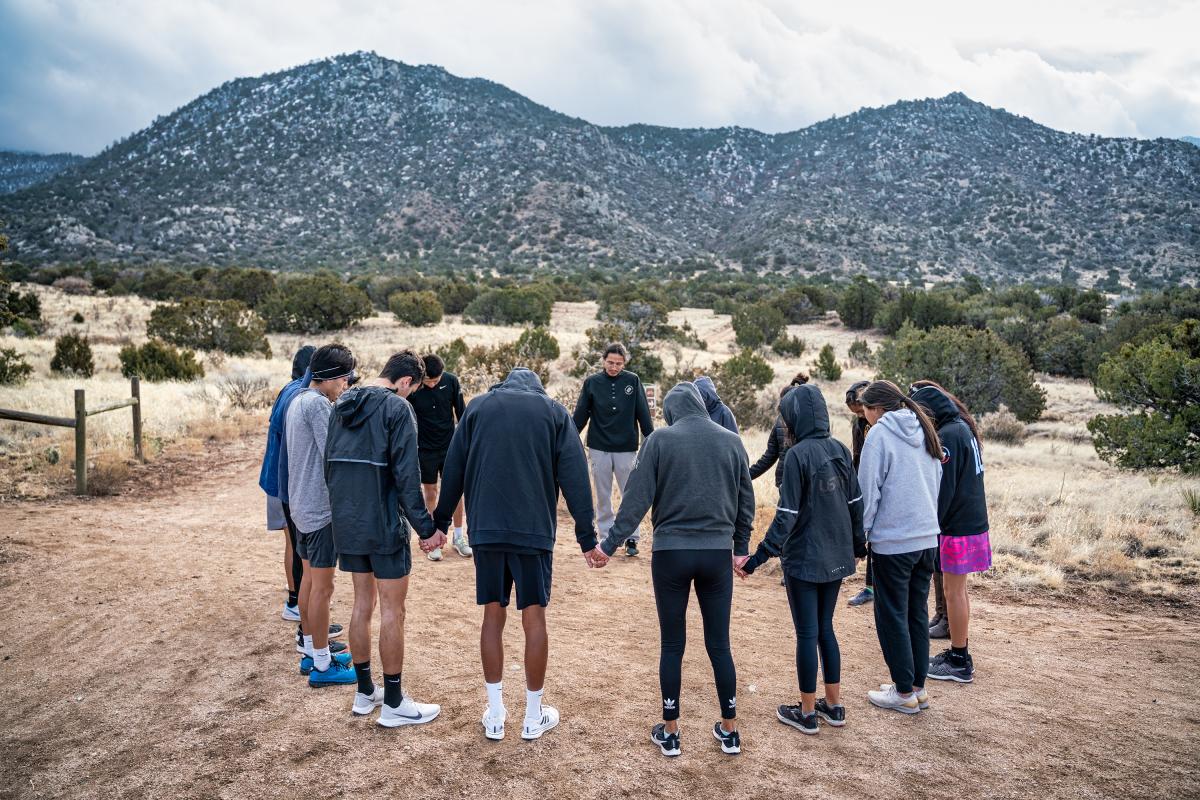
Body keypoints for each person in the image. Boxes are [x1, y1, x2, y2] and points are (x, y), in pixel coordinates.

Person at [434, 368, 604, 742]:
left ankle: (495, 714)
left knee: (492, 618)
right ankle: (532, 715)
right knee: (534, 619)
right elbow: (575, 477)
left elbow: (454, 468)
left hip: (487, 533)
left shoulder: (477, 409)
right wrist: (587, 538)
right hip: (534, 533)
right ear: (538, 388)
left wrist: (441, 522)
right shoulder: (555, 413)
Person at [600, 382, 754, 757]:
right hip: (716, 553)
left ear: (670, 412)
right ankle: (730, 730)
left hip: (671, 553)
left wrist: (609, 544)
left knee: (672, 643)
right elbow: (745, 499)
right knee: (719, 644)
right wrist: (741, 547)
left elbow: (636, 498)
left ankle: (670, 731)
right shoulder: (731, 441)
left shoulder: (660, 441)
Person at [737, 384, 864, 735]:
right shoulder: (839, 449)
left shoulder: (796, 456)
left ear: (794, 417)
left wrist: (755, 558)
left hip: (805, 559)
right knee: (826, 630)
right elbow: (856, 504)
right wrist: (858, 545)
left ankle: (807, 712)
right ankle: (833, 706)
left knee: (807, 633)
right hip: (837, 555)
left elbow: (786, 516)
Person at [326, 351, 443, 725]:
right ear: (406, 381)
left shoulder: (341, 403)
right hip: (384, 523)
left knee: (362, 605)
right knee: (394, 610)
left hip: (347, 521)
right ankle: (393, 701)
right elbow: (408, 478)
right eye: (412, 390)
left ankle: (364, 693)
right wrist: (427, 530)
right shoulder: (397, 409)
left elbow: (327, 464)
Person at [856, 380, 943, 714]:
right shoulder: (923, 428)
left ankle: (903, 692)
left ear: (876, 408)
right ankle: (915, 687)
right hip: (925, 537)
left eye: (865, 410)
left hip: (894, 541)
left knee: (891, 616)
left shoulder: (879, 436)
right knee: (915, 613)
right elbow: (936, 481)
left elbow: (869, 490)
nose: (864, 417)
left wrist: (860, 535)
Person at [287, 344, 358, 686]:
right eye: (345, 377)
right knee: (323, 588)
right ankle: (322, 664)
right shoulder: (317, 406)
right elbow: (335, 453)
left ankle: (313, 652)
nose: (346, 383)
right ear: (331, 375)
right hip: (321, 509)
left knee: (309, 583)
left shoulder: (298, 398)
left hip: (301, 505)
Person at [910, 382, 990, 683]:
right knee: (958, 592)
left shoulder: (948, 437)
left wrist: (931, 524)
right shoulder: (962, 429)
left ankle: (959, 659)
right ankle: (959, 651)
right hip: (970, 522)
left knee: (953, 592)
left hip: (958, 526)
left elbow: (943, 488)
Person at [572, 343, 654, 557]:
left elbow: (643, 412)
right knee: (603, 495)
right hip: (599, 447)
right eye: (610, 362)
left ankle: (631, 538)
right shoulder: (592, 383)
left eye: (618, 364)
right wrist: (569, 437)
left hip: (626, 448)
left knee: (630, 495)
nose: (614, 367)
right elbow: (581, 413)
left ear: (624, 363)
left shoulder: (632, 381)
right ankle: (606, 536)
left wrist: (651, 440)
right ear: (603, 360)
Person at [260, 344, 314, 622]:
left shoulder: (287, 390)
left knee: (291, 542)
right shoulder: (300, 396)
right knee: (296, 543)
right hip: (285, 484)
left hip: (274, 480)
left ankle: (295, 595)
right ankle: (295, 602)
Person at [408, 354, 469, 561]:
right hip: (425, 449)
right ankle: (433, 539)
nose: (432, 384)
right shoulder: (414, 388)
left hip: (450, 446)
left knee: (455, 490)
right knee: (430, 492)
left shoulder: (451, 381)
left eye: (436, 380)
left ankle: (459, 537)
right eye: (428, 381)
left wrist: (466, 444)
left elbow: (462, 414)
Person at [844, 380, 875, 607]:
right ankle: (871, 586)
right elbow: (857, 456)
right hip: (864, 483)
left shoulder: (882, 423)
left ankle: (875, 587)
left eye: (861, 410)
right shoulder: (859, 424)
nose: (860, 415)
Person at [748, 372, 810, 487]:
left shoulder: (786, 421)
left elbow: (769, 457)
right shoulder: (783, 421)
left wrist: (746, 476)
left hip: (788, 481)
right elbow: (770, 456)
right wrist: (746, 476)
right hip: (795, 481)